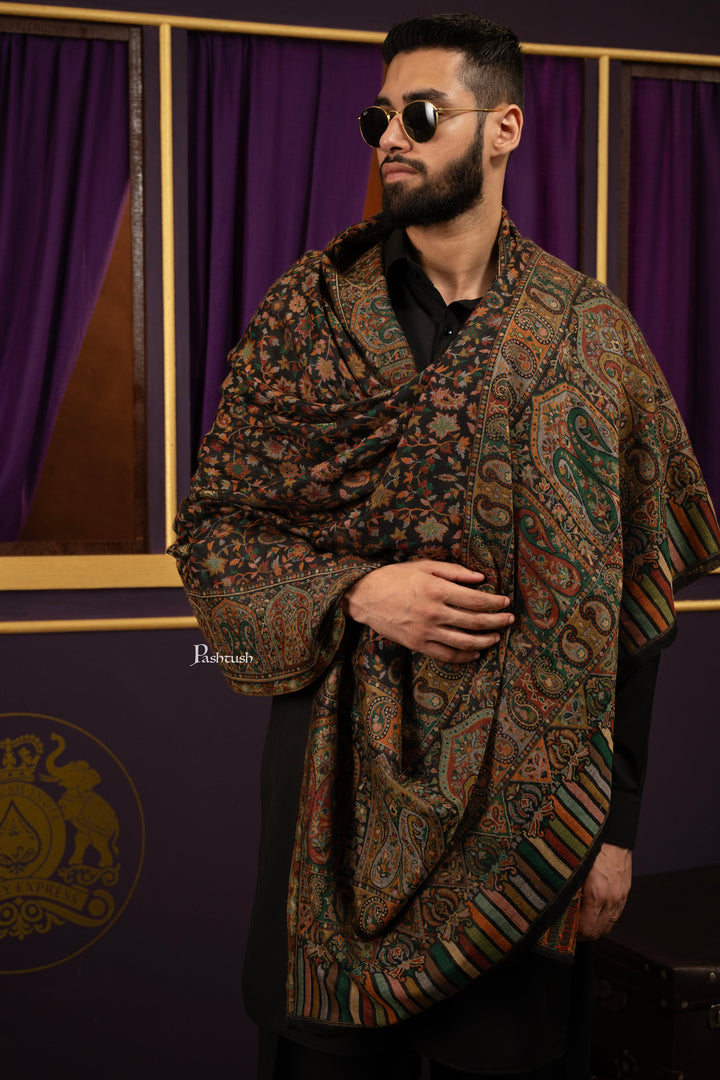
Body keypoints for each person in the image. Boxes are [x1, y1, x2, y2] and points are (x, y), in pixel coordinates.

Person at [170, 14, 720, 1080]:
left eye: (421, 114)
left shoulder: (590, 339)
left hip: (530, 821)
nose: (392, 137)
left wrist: (615, 829)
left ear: (504, 128)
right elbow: (217, 533)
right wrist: (357, 590)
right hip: (332, 813)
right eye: (379, 117)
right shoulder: (307, 318)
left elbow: (635, 611)